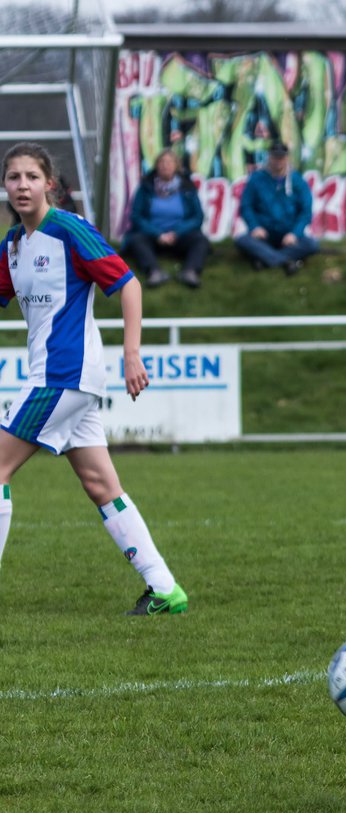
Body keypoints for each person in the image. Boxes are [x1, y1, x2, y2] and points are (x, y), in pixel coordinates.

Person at [0, 142, 188, 615]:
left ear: (50, 184)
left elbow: (128, 284)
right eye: (13, 177)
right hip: (63, 378)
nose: (21, 185)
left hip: (62, 375)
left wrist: (132, 354)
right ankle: (165, 589)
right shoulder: (13, 244)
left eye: (30, 176)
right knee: (101, 485)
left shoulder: (68, 229)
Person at [122, 150, 211, 288]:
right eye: (161, 162)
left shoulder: (188, 187)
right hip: (153, 236)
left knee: (201, 240)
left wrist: (177, 233)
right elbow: (136, 216)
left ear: (177, 166)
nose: (165, 165)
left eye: (169, 162)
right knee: (136, 240)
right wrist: (158, 234)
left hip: (180, 236)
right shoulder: (145, 187)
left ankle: (190, 272)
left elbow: (198, 217)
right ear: (156, 166)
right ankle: (154, 272)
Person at [234, 140, 318, 276]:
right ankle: (286, 261)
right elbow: (246, 206)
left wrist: (295, 234)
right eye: (275, 157)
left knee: (312, 245)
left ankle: (264, 259)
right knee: (242, 241)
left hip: (289, 236)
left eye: (281, 157)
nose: (278, 161)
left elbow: (306, 212)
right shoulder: (256, 179)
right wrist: (254, 227)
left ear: (287, 158)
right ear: (269, 157)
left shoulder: (298, 181)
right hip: (264, 235)